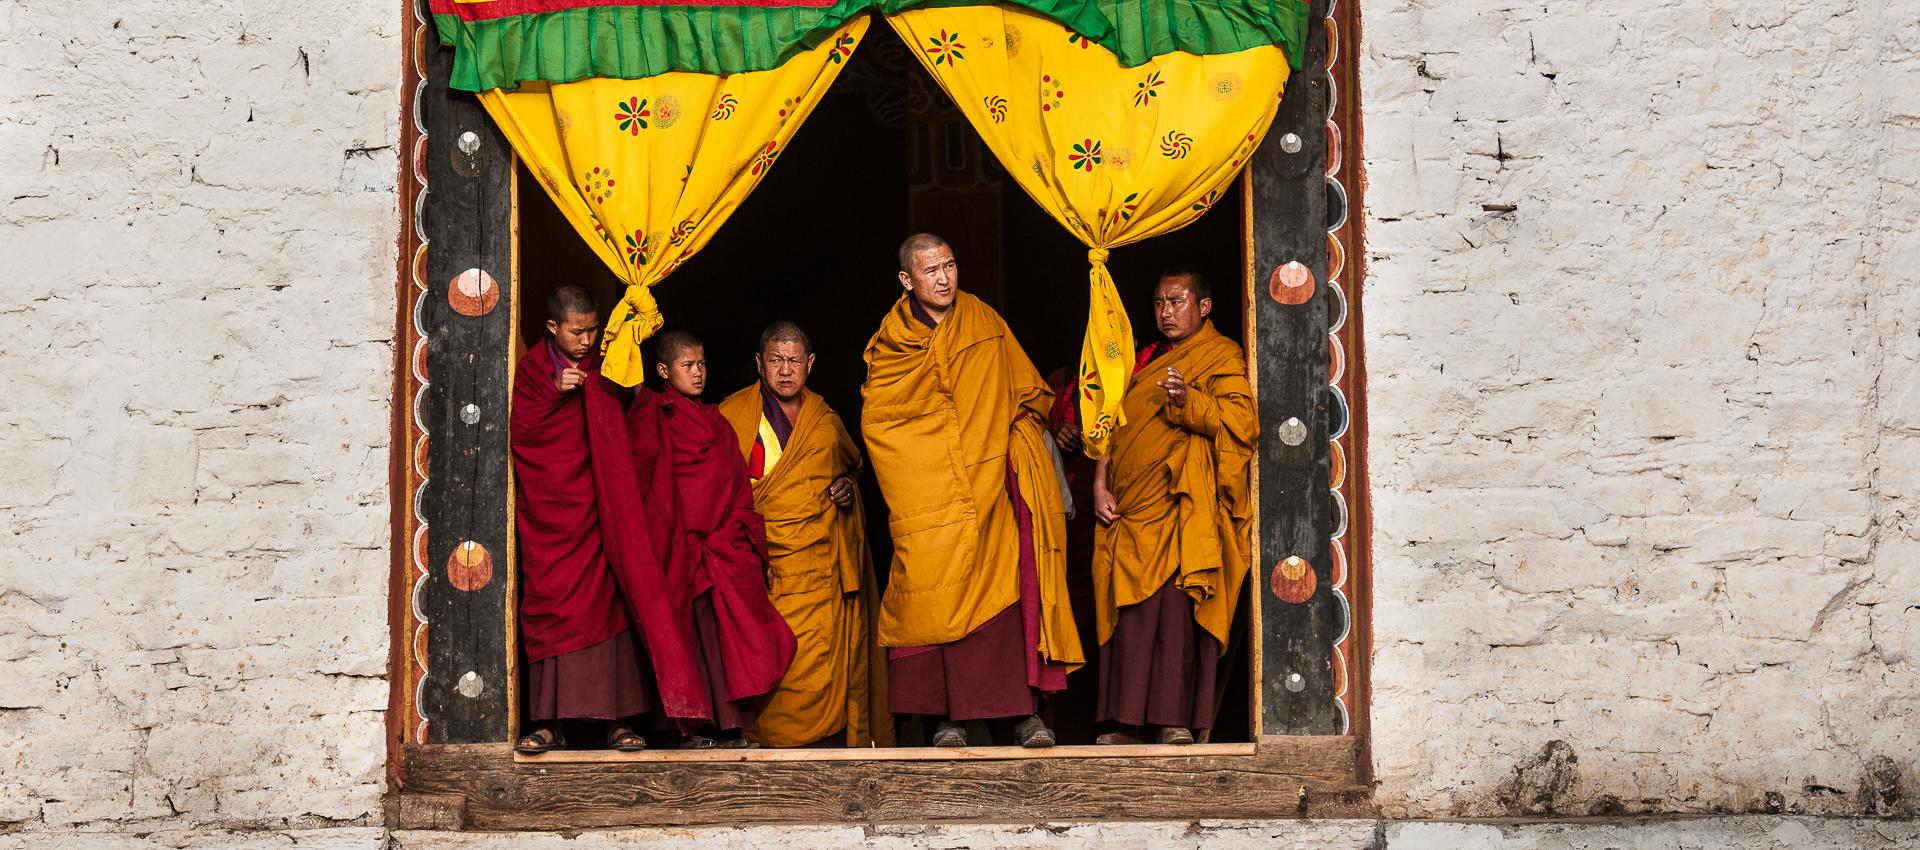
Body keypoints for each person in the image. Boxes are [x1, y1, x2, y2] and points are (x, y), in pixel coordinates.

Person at [861, 233, 1083, 748]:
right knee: (933, 591)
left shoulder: (982, 320)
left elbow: (1028, 393)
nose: (943, 279)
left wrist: (1017, 437)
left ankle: (1020, 715)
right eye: (930, 270)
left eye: (950, 265)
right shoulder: (892, 341)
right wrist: (925, 473)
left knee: (1007, 591)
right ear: (906, 281)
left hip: (990, 485)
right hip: (928, 491)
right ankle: (946, 718)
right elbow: (882, 420)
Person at [1089, 270, 1257, 745]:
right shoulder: (1144, 360)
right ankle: (1124, 723)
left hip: (1184, 506)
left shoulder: (1222, 356)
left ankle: (1173, 721)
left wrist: (1190, 399)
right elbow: (1111, 426)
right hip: (1131, 506)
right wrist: (1100, 484)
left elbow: (1243, 422)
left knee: (1177, 614)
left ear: (1203, 307)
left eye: (1177, 301)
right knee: (1132, 615)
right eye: (1160, 302)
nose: (1166, 312)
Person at [718, 321, 891, 748]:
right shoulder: (732, 415)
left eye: (794, 360)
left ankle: (822, 747)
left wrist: (848, 492)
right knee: (765, 657)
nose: (785, 370)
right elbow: (714, 492)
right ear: (759, 364)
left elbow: (851, 472)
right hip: (763, 568)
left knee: (818, 662)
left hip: (819, 574)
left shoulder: (826, 422)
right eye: (775, 360)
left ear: (810, 364)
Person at [630, 329, 797, 748]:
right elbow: (650, 486)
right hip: (680, 548)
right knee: (686, 637)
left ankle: (729, 726)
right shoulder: (655, 413)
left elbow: (737, 485)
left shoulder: (717, 422)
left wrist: (748, 545)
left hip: (722, 548)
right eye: (688, 366)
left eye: (702, 364)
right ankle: (688, 727)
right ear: (664, 371)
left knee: (726, 639)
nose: (698, 373)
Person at [507, 285, 655, 753]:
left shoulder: (606, 361)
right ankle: (551, 723)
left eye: (593, 329)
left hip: (599, 511)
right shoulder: (533, 371)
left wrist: (612, 385)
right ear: (553, 328)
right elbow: (522, 432)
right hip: (554, 517)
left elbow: (634, 413)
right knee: (554, 607)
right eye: (578, 332)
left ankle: (618, 723)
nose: (588, 340)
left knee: (611, 602)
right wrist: (554, 394)